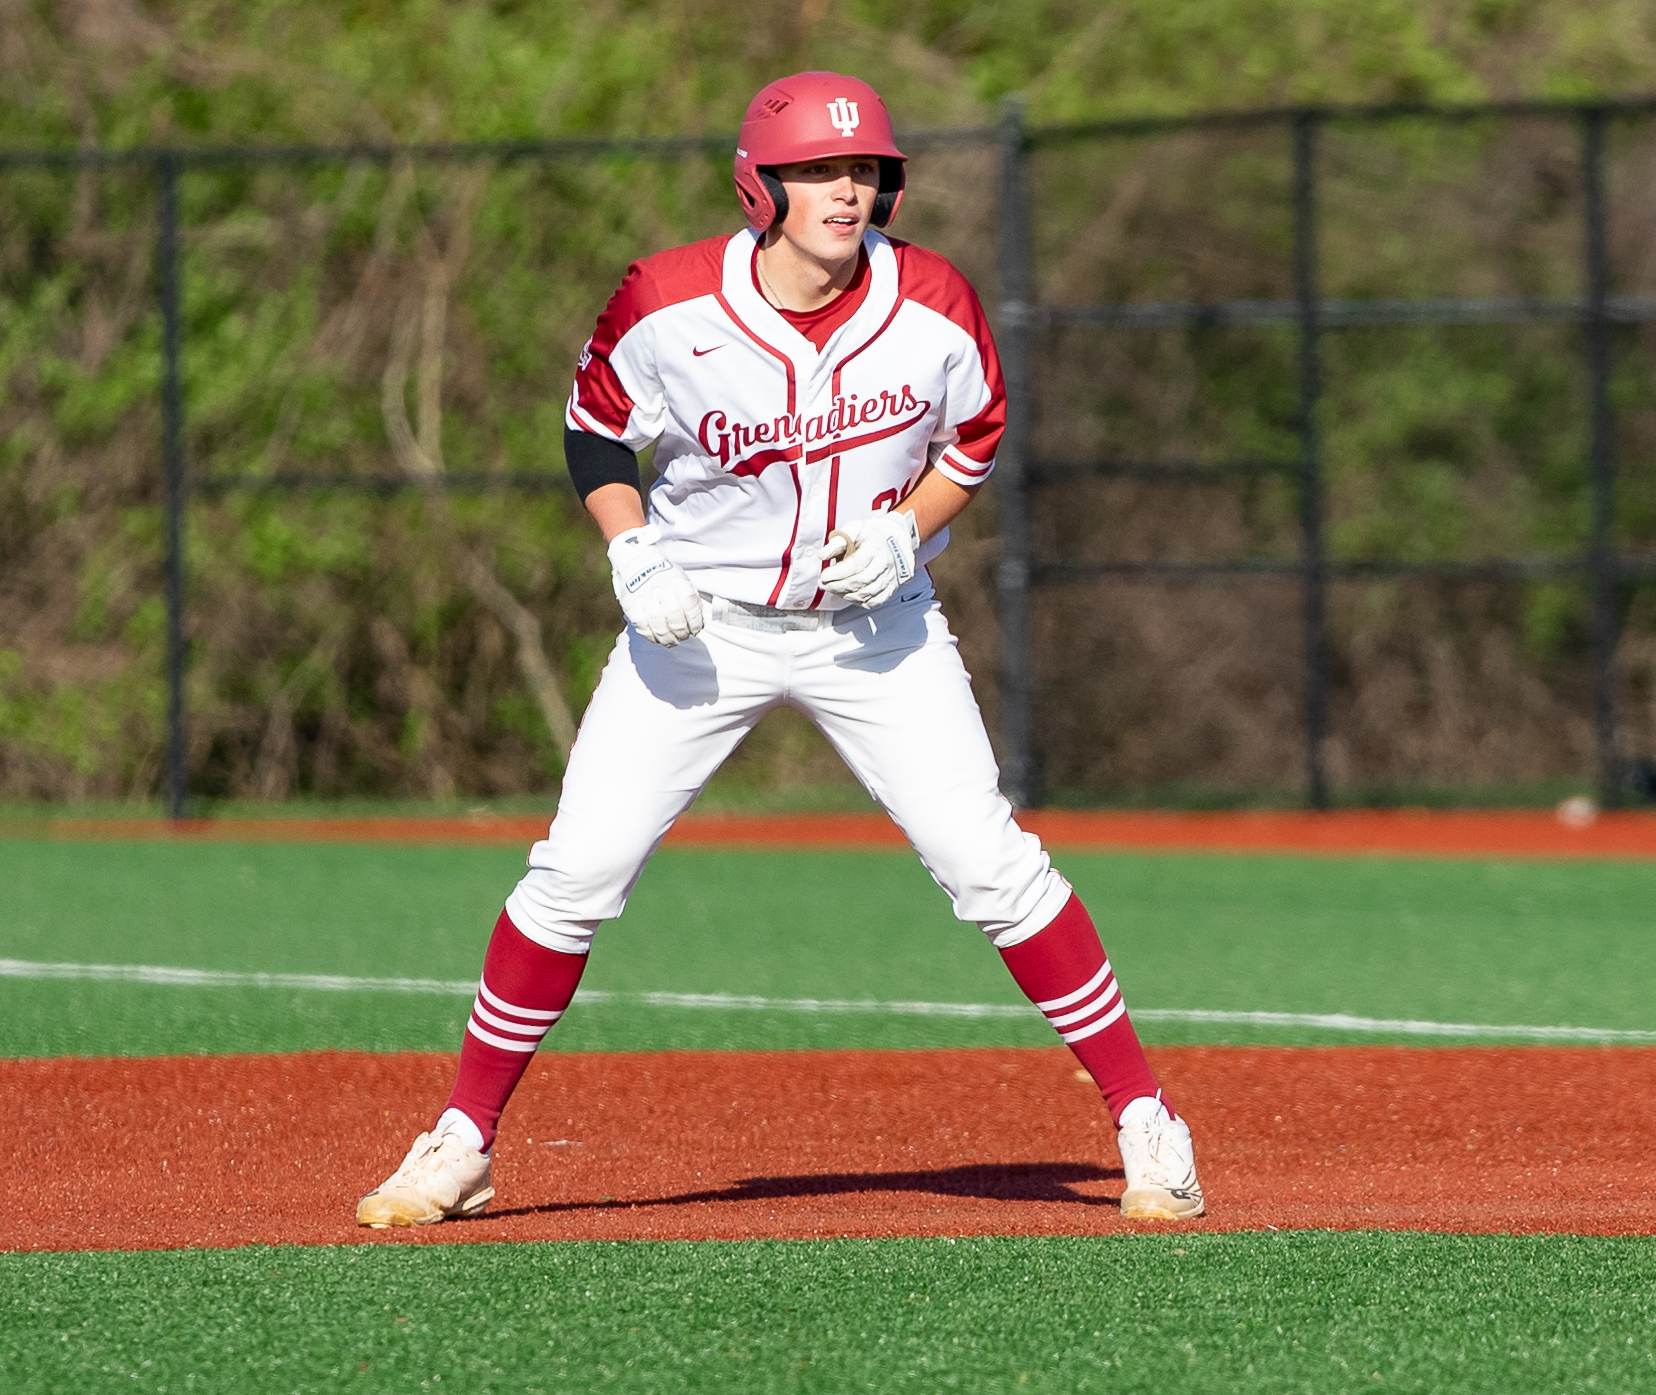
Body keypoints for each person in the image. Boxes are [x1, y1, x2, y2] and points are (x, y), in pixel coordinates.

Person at [356, 71, 1203, 1227]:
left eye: (864, 171)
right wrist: (632, 549)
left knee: (989, 862)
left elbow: (978, 437)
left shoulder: (935, 303)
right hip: (703, 627)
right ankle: (463, 1137)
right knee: (576, 872)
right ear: (763, 184)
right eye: (818, 171)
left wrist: (909, 533)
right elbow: (596, 430)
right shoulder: (668, 301)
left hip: (874, 631)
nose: (845, 192)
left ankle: (1145, 1121)